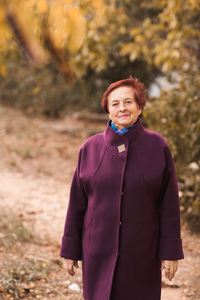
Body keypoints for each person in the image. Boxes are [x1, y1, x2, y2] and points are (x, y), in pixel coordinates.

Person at [60, 76, 184, 300]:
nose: (122, 108)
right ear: (108, 111)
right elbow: (77, 204)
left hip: (143, 253)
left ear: (139, 107)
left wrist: (171, 252)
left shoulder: (158, 147)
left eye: (128, 102)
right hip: (96, 250)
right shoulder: (90, 149)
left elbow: (169, 205)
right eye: (115, 103)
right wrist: (70, 250)